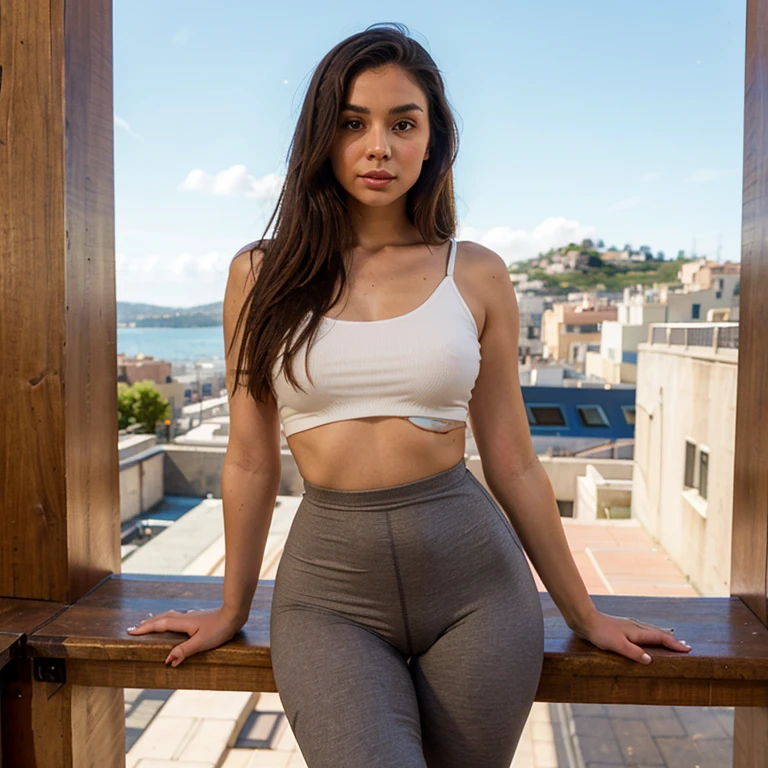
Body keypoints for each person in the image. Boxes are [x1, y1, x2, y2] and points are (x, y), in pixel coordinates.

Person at [127, 22, 691, 767]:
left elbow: (514, 460)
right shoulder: (258, 275)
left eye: (404, 123)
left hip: (479, 591)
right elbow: (251, 458)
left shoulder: (477, 273)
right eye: (353, 123)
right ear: (321, 137)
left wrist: (583, 612)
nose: (379, 147)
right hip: (328, 598)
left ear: (433, 141)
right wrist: (232, 608)